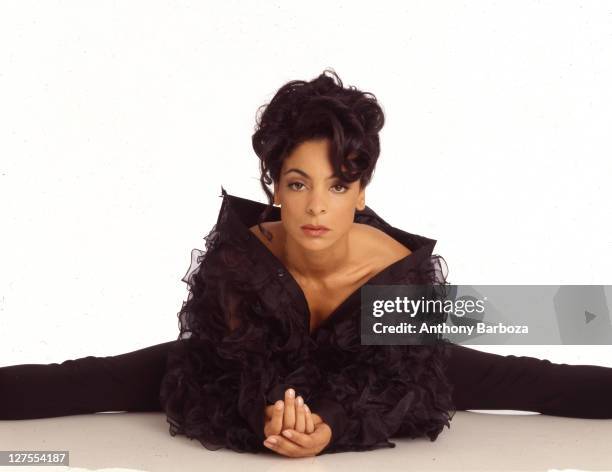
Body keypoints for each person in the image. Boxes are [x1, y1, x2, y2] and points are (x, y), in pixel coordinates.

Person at [2, 69, 612, 459]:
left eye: (339, 186)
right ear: (273, 187)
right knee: (85, 379)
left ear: (362, 192)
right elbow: (228, 370)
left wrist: (330, 427)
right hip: (242, 366)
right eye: (298, 184)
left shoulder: (396, 273)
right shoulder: (244, 259)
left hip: (379, 359)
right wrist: (272, 412)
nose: (317, 206)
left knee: (533, 377)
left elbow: (390, 384)